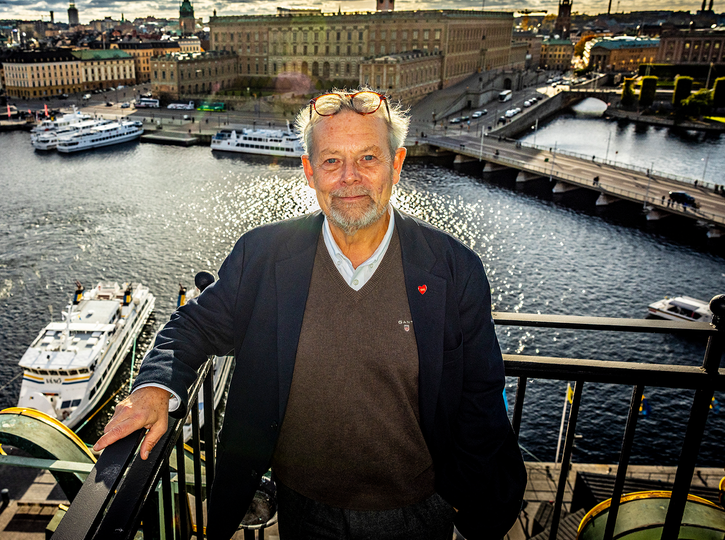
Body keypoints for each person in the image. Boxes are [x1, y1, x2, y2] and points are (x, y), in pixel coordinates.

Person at [94, 88, 526, 540]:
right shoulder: (263, 254)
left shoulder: (454, 269)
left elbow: (480, 399)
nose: (350, 178)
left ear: (396, 166)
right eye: (332, 161)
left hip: (417, 510)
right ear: (309, 172)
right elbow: (194, 325)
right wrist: (153, 390)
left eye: (368, 159)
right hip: (303, 511)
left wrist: (477, 515)